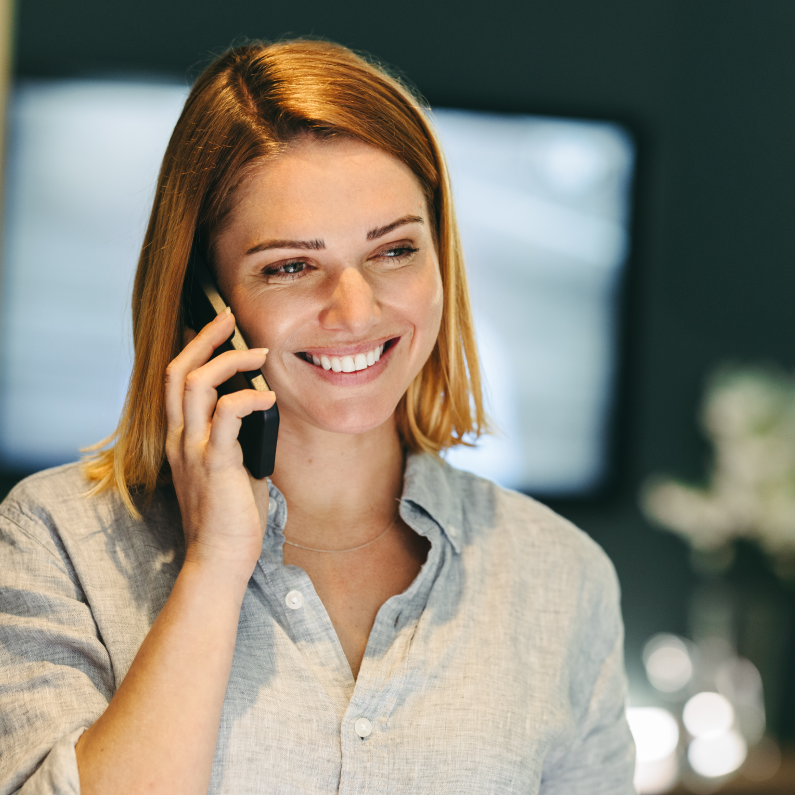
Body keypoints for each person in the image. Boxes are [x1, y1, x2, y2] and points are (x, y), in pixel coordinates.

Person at [0, 40, 635, 794]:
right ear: (205, 299)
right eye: (290, 266)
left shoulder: (559, 576)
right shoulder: (58, 542)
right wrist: (214, 567)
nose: (355, 312)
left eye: (394, 251)